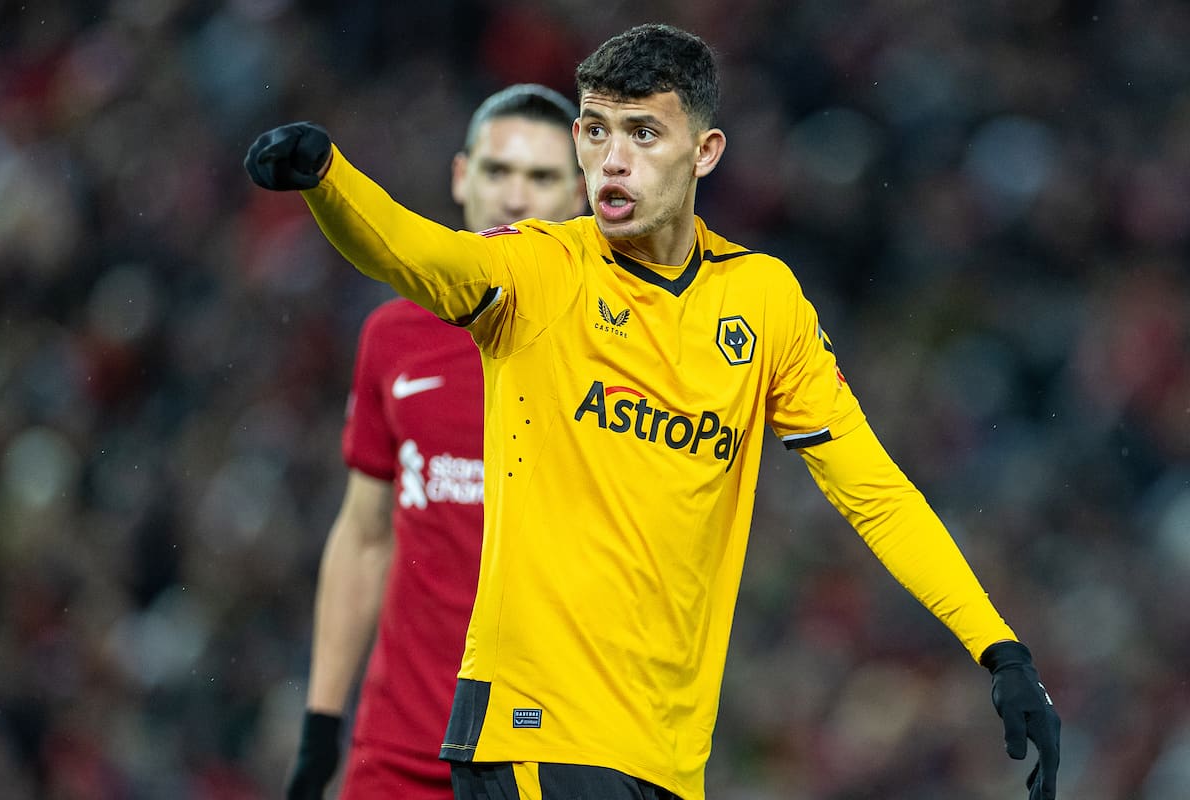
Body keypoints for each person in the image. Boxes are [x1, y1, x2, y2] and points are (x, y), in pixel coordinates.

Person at [247, 23, 1061, 800]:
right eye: (596, 132)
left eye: (643, 134)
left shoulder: (763, 302)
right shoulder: (543, 271)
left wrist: (998, 648)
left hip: (667, 758)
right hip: (535, 733)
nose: (612, 162)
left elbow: (872, 490)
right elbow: (418, 253)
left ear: (705, 152)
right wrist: (330, 181)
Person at [282, 84, 586, 800]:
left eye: (541, 178)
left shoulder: (609, 346)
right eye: (497, 171)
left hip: (551, 755)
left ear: (579, 194)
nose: (516, 197)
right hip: (400, 747)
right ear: (461, 177)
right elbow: (365, 536)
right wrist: (321, 722)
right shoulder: (393, 336)